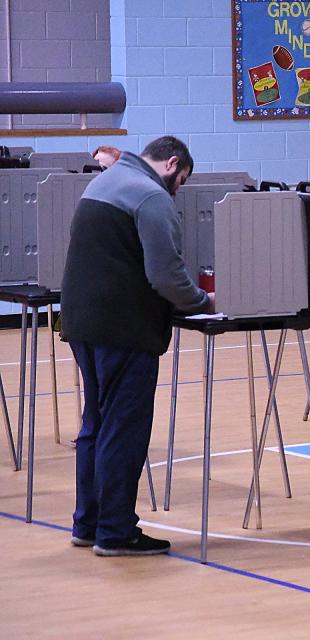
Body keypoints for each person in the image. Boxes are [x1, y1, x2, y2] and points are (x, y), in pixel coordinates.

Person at [60, 136, 213, 556]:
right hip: (123, 326)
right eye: (180, 182)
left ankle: (87, 524)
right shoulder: (150, 196)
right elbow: (165, 275)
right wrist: (203, 302)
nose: (176, 192)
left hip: (82, 320)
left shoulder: (104, 183)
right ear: (172, 163)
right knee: (123, 428)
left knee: (95, 424)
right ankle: (116, 532)